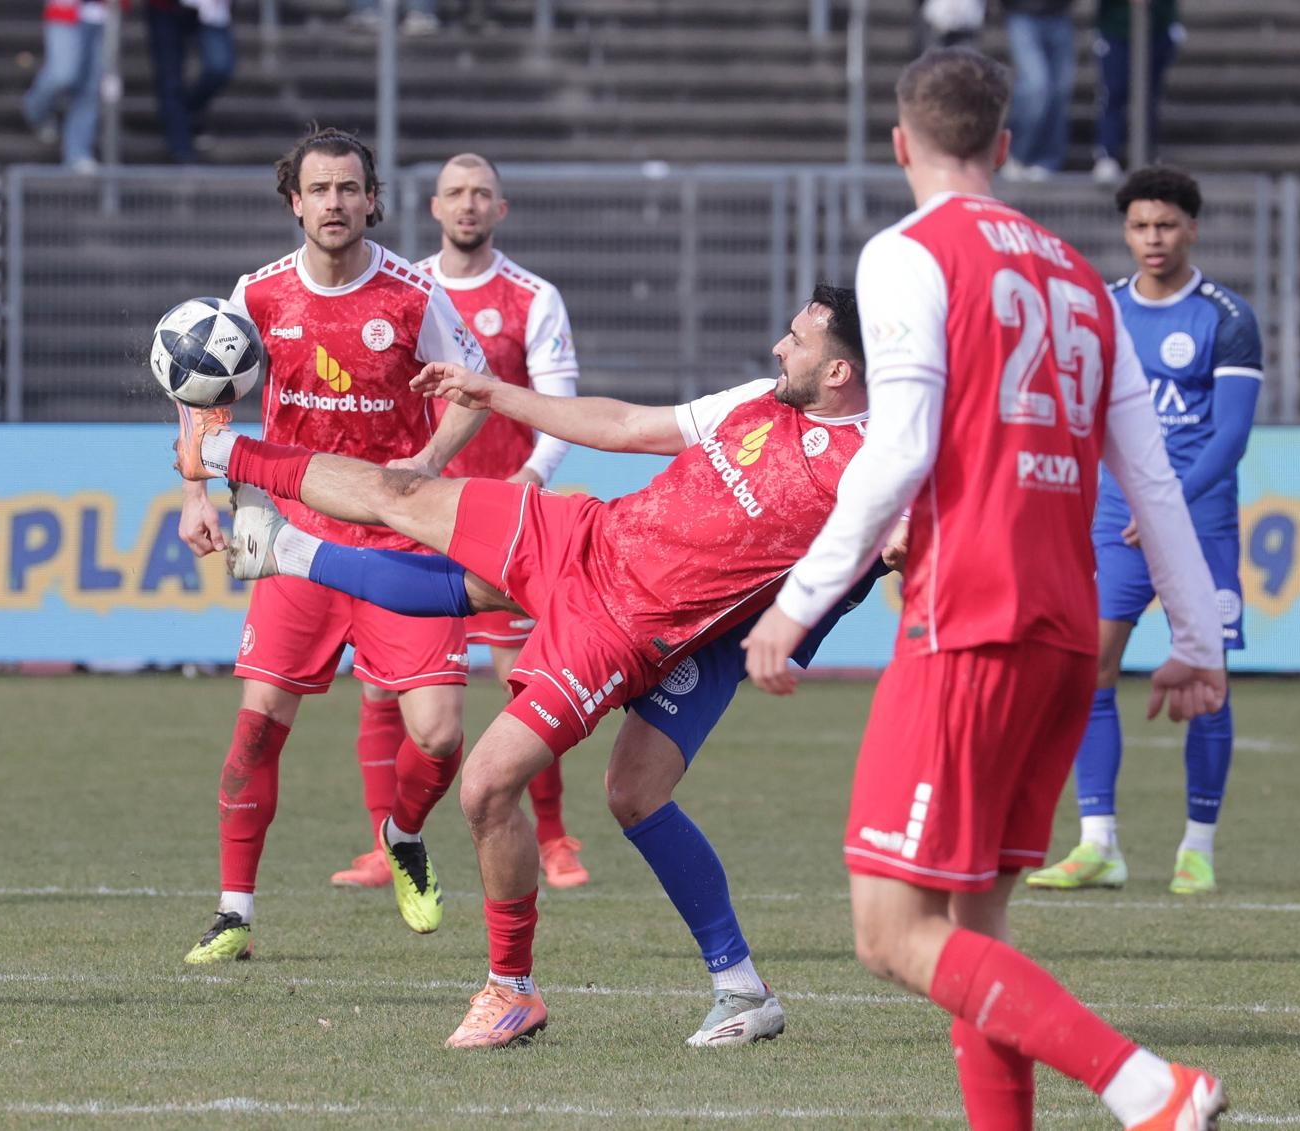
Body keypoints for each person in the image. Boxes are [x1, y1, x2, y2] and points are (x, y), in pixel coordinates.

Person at [170, 286, 872, 1048]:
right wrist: (497, 393)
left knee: (491, 784)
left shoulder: (875, 474)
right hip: (583, 534)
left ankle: (515, 988)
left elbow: (908, 546)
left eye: (797, 340)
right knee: (400, 493)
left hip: (620, 629)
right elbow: (630, 426)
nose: (780, 348)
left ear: (840, 372)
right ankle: (230, 464)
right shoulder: (763, 401)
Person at [743, 49, 1229, 1131]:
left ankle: (1146, 1087)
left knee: (890, 935)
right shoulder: (1075, 276)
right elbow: (1147, 476)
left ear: (899, 143)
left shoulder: (911, 252)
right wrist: (1198, 638)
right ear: (1005, 146)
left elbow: (900, 442)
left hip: (969, 621)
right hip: (1062, 632)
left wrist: (797, 600)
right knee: (974, 939)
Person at [177, 126, 490, 965]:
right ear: (295, 201)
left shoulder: (415, 296)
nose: (335, 204)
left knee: (438, 736)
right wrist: (196, 491)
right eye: (319, 190)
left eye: (349, 189)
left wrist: (425, 461)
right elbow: (197, 376)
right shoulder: (261, 293)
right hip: (291, 540)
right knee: (256, 730)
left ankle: (402, 832)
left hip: (401, 541)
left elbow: (474, 388)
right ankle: (233, 910)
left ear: (372, 198)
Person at [330, 152, 591, 892]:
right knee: (384, 686)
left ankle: (553, 839)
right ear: (435, 208)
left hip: (506, 526)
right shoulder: (402, 290)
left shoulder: (531, 297)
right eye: (455, 194)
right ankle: (386, 844)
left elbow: (563, 407)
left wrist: (531, 478)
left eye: (482, 194)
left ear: (500, 210)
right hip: (418, 523)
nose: (469, 205)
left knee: (529, 680)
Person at [1026, 166, 1261, 898]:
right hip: (1111, 520)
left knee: (1206, 682)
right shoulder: (1100, 309)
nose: (1152, 238)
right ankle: (1100, 843)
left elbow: (1230, 438)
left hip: (1199, 522)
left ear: (1191, 227)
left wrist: (1166, 502)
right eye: (1139, 226)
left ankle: (1198, 845)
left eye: (1165, 225)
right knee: (1089, 668)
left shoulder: (1226, 316)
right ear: (1126, 231)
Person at [1092, 0, 1181, 185]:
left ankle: (1147, 154)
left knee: (1149, 96)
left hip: (1158, 26)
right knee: (1113, 92)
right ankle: (1107, 153)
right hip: (1115, 27)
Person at [21, 0, 110, 173]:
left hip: (100, 14)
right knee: (62, 74)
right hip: (65, 9)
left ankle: (77, 152)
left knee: (90, 88)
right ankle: (35, 109)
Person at [145, 0, 235, 164]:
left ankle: (185, 116)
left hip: (211, 8)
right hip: (165, 8)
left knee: (219, 67)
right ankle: (181, 147)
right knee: (170, 80)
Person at [1000, 0, 1077, 181]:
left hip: (1060, 13)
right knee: (1035, 85)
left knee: (1059, 91)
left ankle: (1047, 160)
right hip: (1022, 12)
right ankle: (1017, 153)